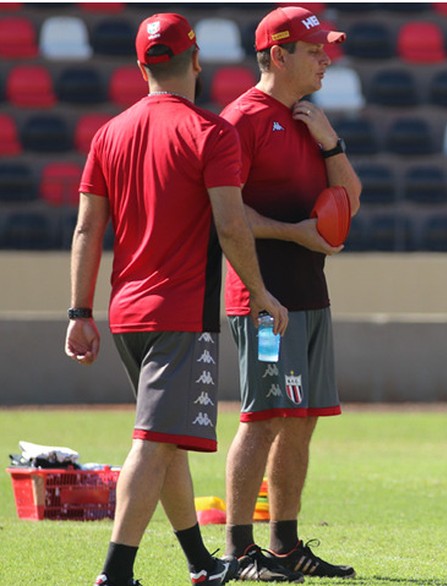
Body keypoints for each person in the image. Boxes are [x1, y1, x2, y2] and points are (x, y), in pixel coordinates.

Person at [65, 13, 288, 586]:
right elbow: (232, 226)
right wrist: (260, 293)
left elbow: (88, 230)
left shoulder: (108, 133)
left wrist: (80, 313)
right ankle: (116, 572)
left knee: (167, 443)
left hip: (126, 315)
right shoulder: (211, 132)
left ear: (141, 68)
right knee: (156, 441)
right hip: (180, 315)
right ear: (196, 62)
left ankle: (199, 560)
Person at [219, 6, 361, 582]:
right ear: (278, 55)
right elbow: (226, 216)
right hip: (262, 298)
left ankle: (285, 545)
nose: (326, 58)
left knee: (300, 419)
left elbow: (350, 199)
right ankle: (236, 550)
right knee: (264, 418)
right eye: (313, 50)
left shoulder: (310, 119)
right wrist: (296, 232)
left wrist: (329, 143)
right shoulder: (241, 120)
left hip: (309, 294)